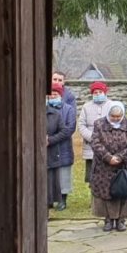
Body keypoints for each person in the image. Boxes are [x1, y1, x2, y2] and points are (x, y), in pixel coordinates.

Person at [89, 101, 127, 233]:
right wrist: (108, 157)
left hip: (124, 164)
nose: (116, 118)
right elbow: (95, 143)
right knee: (106, 192)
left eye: (118, 116)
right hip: (104, 166)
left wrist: (120, 157)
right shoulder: (99, 124)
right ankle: (108, 219)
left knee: (123, 192)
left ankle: (121, 219)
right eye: (113, 116)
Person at [46, 83, 75, 211]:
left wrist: (51, 139)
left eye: (55, 94)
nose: (53, 96)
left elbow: (69, 128)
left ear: (60, 95)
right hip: (47, 148)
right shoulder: (44, 110)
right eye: (51, 94)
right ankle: (49, 199)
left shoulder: (68, 109)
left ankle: (62, 199)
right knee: (50, 174)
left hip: (63, 146)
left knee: (63, 174)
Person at [78, 81, 110, 184]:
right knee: (92, 176)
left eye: (100, 92)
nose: (97, 94)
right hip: (90, 146)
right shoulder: (86, 107)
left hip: (108, 145)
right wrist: (92, 137)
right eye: (95, 92)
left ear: (104, 92)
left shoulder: (112, 105)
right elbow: (81, 125)